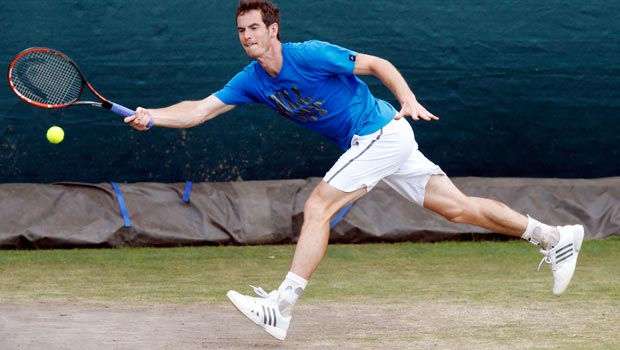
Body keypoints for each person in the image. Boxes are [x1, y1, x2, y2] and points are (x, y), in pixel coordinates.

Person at [125, 0, 584, 341]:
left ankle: (281, 307)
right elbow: (199, 110)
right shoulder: (250, 81)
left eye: (254, 28)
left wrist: (406, 99)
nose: (247, 36)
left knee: (318, 205)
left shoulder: (309, 55)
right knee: (458, 209)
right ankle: (553, 237)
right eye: (241, 30)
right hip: (379, 144)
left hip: (381, 132)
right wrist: (153, 114)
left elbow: (376, 64)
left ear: (273, 30)